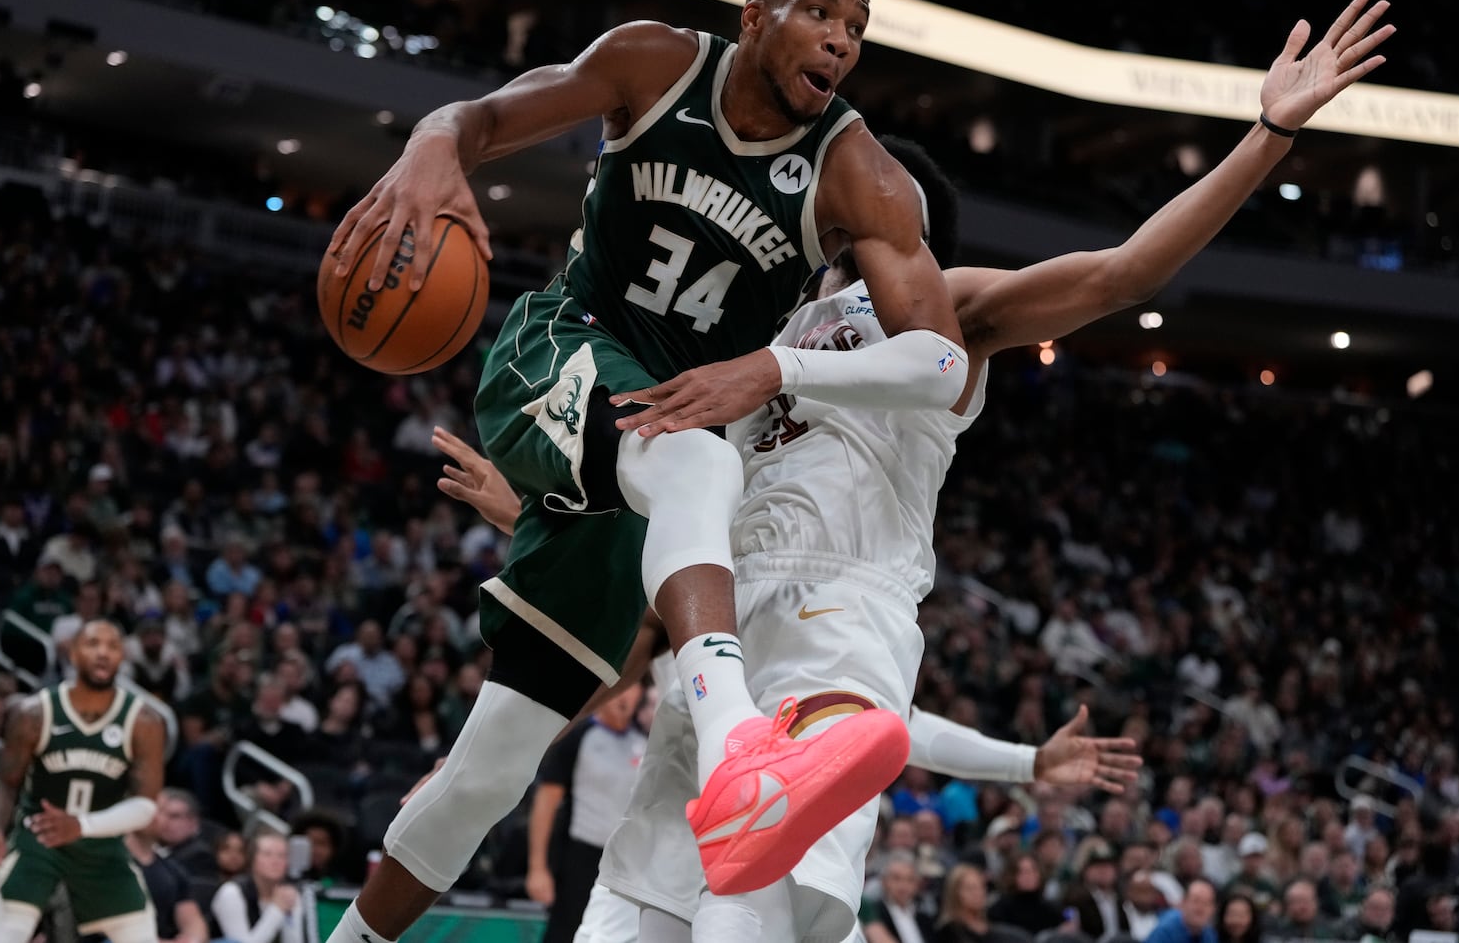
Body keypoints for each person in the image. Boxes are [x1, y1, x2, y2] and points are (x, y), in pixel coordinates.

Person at [326, 0, 976, 939]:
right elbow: (485, 118)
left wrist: (777, 367)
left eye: (856, 29)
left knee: (487, 768)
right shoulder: (656, 62)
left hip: (653, 460)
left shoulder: (860, 173)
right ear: (756, 14)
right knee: (701, 457)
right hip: (563, 349)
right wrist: (428, 148)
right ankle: (735, 753)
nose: (840, 41)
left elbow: (937, 363)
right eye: (820, 13)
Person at [428, 132, 1145, 941]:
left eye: (873, 182)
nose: (847, 184)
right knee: (625, 920)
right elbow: (657, 575)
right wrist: (527, 510)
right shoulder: (765, 329)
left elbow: (1125, 272)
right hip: (729, 639)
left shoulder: (940, 306)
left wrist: (1269, 136)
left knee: (751, 902)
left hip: (843, 602)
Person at [0, 619, 166, 943]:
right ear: (73, 654)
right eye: (93, 644)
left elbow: (146, 806)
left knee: (142, 933)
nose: (103, 653)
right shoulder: (33, 712)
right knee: (5, 935)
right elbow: (5, 782)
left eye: (113, 646)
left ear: (123, 657)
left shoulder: (144, 721)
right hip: (39, 840)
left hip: (102, 846)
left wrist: (81, 825)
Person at [529, 684, 648, 943]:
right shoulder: (578, 736)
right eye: (622, 688)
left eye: (633, 689)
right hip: (579, 859)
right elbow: (546, 803)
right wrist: (537, 867)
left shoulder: (644, 742)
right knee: (565, 934)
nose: (625, 696)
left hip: (626, 863)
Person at [209, 829, 305, 943]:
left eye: (282, 855)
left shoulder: (289, 894)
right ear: (252, 858)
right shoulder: (231, 893)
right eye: (267, 854)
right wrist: (276, 910)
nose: (275, 861)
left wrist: (291, 912)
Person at [124, 825, 209, 943]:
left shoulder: (172, 869)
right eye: (158, 809)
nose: (163, 820)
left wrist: (192, 940)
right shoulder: (111, 863)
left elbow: (192, 920)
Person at [1145, 879, 1218, 943]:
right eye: (1196, 901)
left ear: (1214, 909)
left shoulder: (1209, 934)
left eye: (1206, 903)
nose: (1200, 908)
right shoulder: (1165, 931)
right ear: (1183, 903)